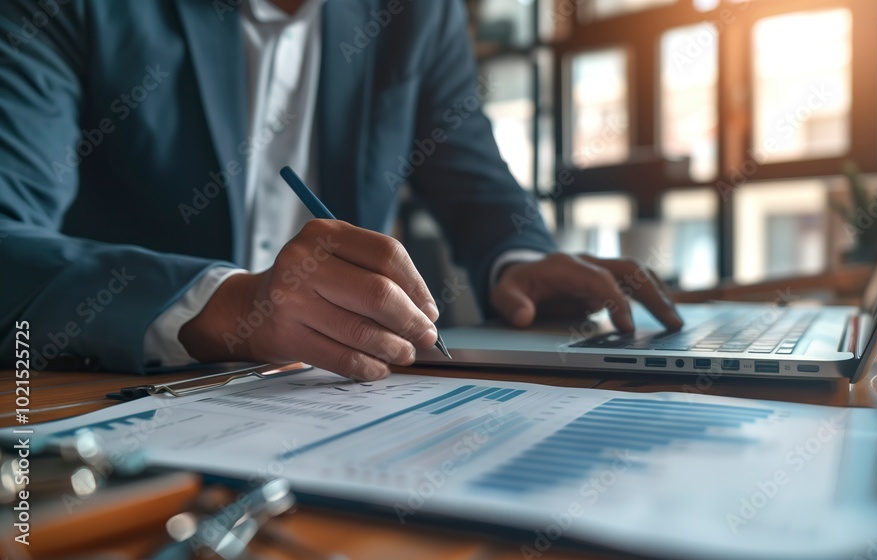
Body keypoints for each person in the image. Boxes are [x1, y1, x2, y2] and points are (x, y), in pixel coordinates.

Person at [0, 0, 682, 379]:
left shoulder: (417, 14)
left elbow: (475, 178)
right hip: (111, 397)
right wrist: (228, 304)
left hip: (341, 400)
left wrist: (521, 259)